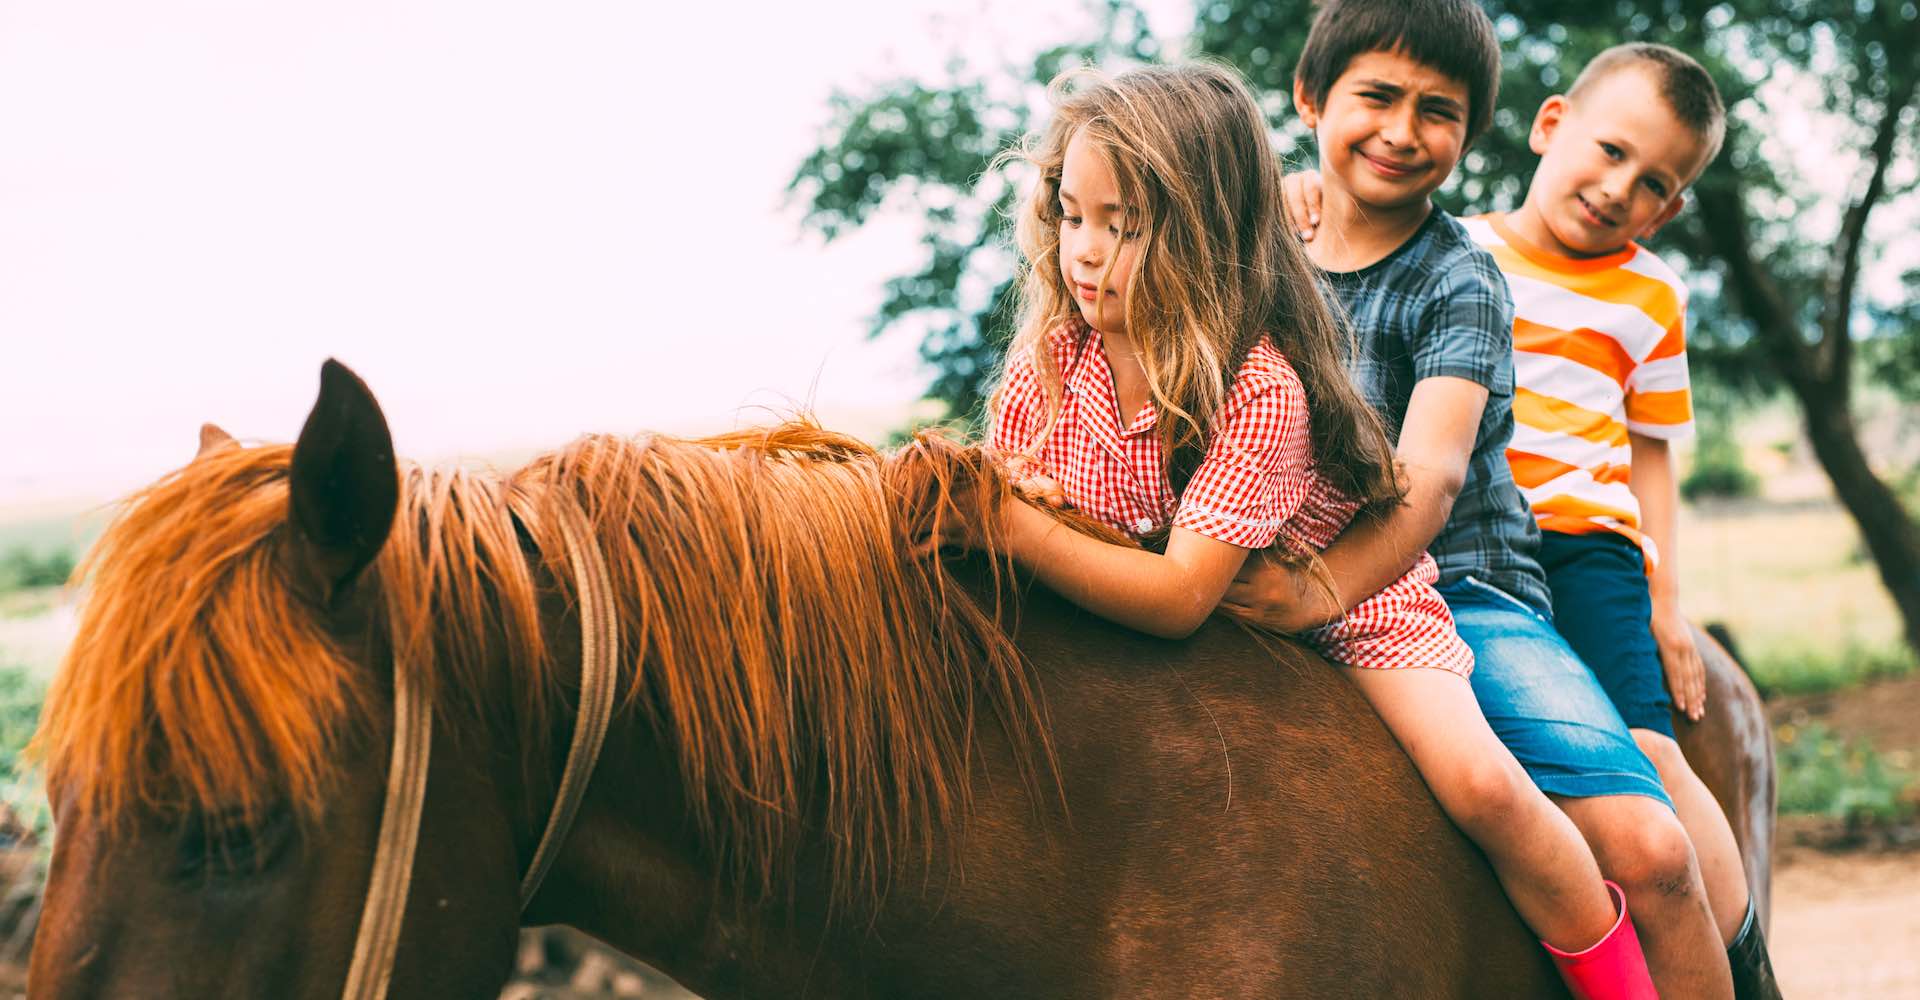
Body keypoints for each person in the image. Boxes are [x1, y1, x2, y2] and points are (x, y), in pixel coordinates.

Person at [938, 60, 1655, 998]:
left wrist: (1004, 526)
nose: (1085, 251)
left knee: (1486, 789)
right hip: (1196, 598)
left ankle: (1617, 979)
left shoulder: (1258, 387)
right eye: (1073, 216)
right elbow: (1027, 508)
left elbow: (1178, 594)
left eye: (1126, 226)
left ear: (1205, 233)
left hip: (1344, 609)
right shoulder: (1049, 362)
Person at [1219, 2, 1738, 997]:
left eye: (1438, 111)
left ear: (1472, 132)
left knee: (1649, 846)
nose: (1401, 131)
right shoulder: (1256, 248)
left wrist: (1308, 594)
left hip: (1455, 585)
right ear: (1309, 97)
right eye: (1377, 96)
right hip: (1271, 564)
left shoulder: (1464, 277)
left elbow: (1432, 478)